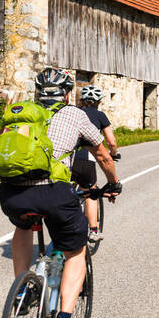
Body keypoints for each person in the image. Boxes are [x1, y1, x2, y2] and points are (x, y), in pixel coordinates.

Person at [0, 67, 121, 318]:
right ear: (67, 94)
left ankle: (22, 291)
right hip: (54, 192)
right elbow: (102, 155)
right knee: (76, 250)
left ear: (37, 93)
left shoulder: (21, 114)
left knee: (23, 226)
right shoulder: (75, 114)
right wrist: (113, 183)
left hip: (13, 194)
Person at [71, 84, 119, 244]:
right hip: (86, 159)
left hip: (66, 158)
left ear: (82, 100)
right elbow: (111, 141)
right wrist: (114, 154)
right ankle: (93, 230)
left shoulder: (72, 112)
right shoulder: (100, 115)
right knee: (90, 192)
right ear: (98, 101)